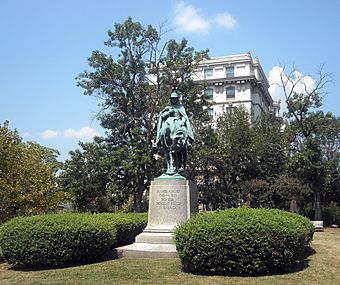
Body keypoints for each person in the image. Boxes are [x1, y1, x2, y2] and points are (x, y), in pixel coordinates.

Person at [155, 92, 195, 175]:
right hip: (168, 123)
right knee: (163, 131)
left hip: (178, 123)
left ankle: (187, 143)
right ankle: (158, 141)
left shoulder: (180, 107)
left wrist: (182, 122)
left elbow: (185, 118)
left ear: (177, 99)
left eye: (175, 98)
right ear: (170, 99)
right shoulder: (168, 107)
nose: (173, 100)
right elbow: (162, 117)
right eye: (172, 99)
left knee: (181, 133)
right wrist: (169, 112)